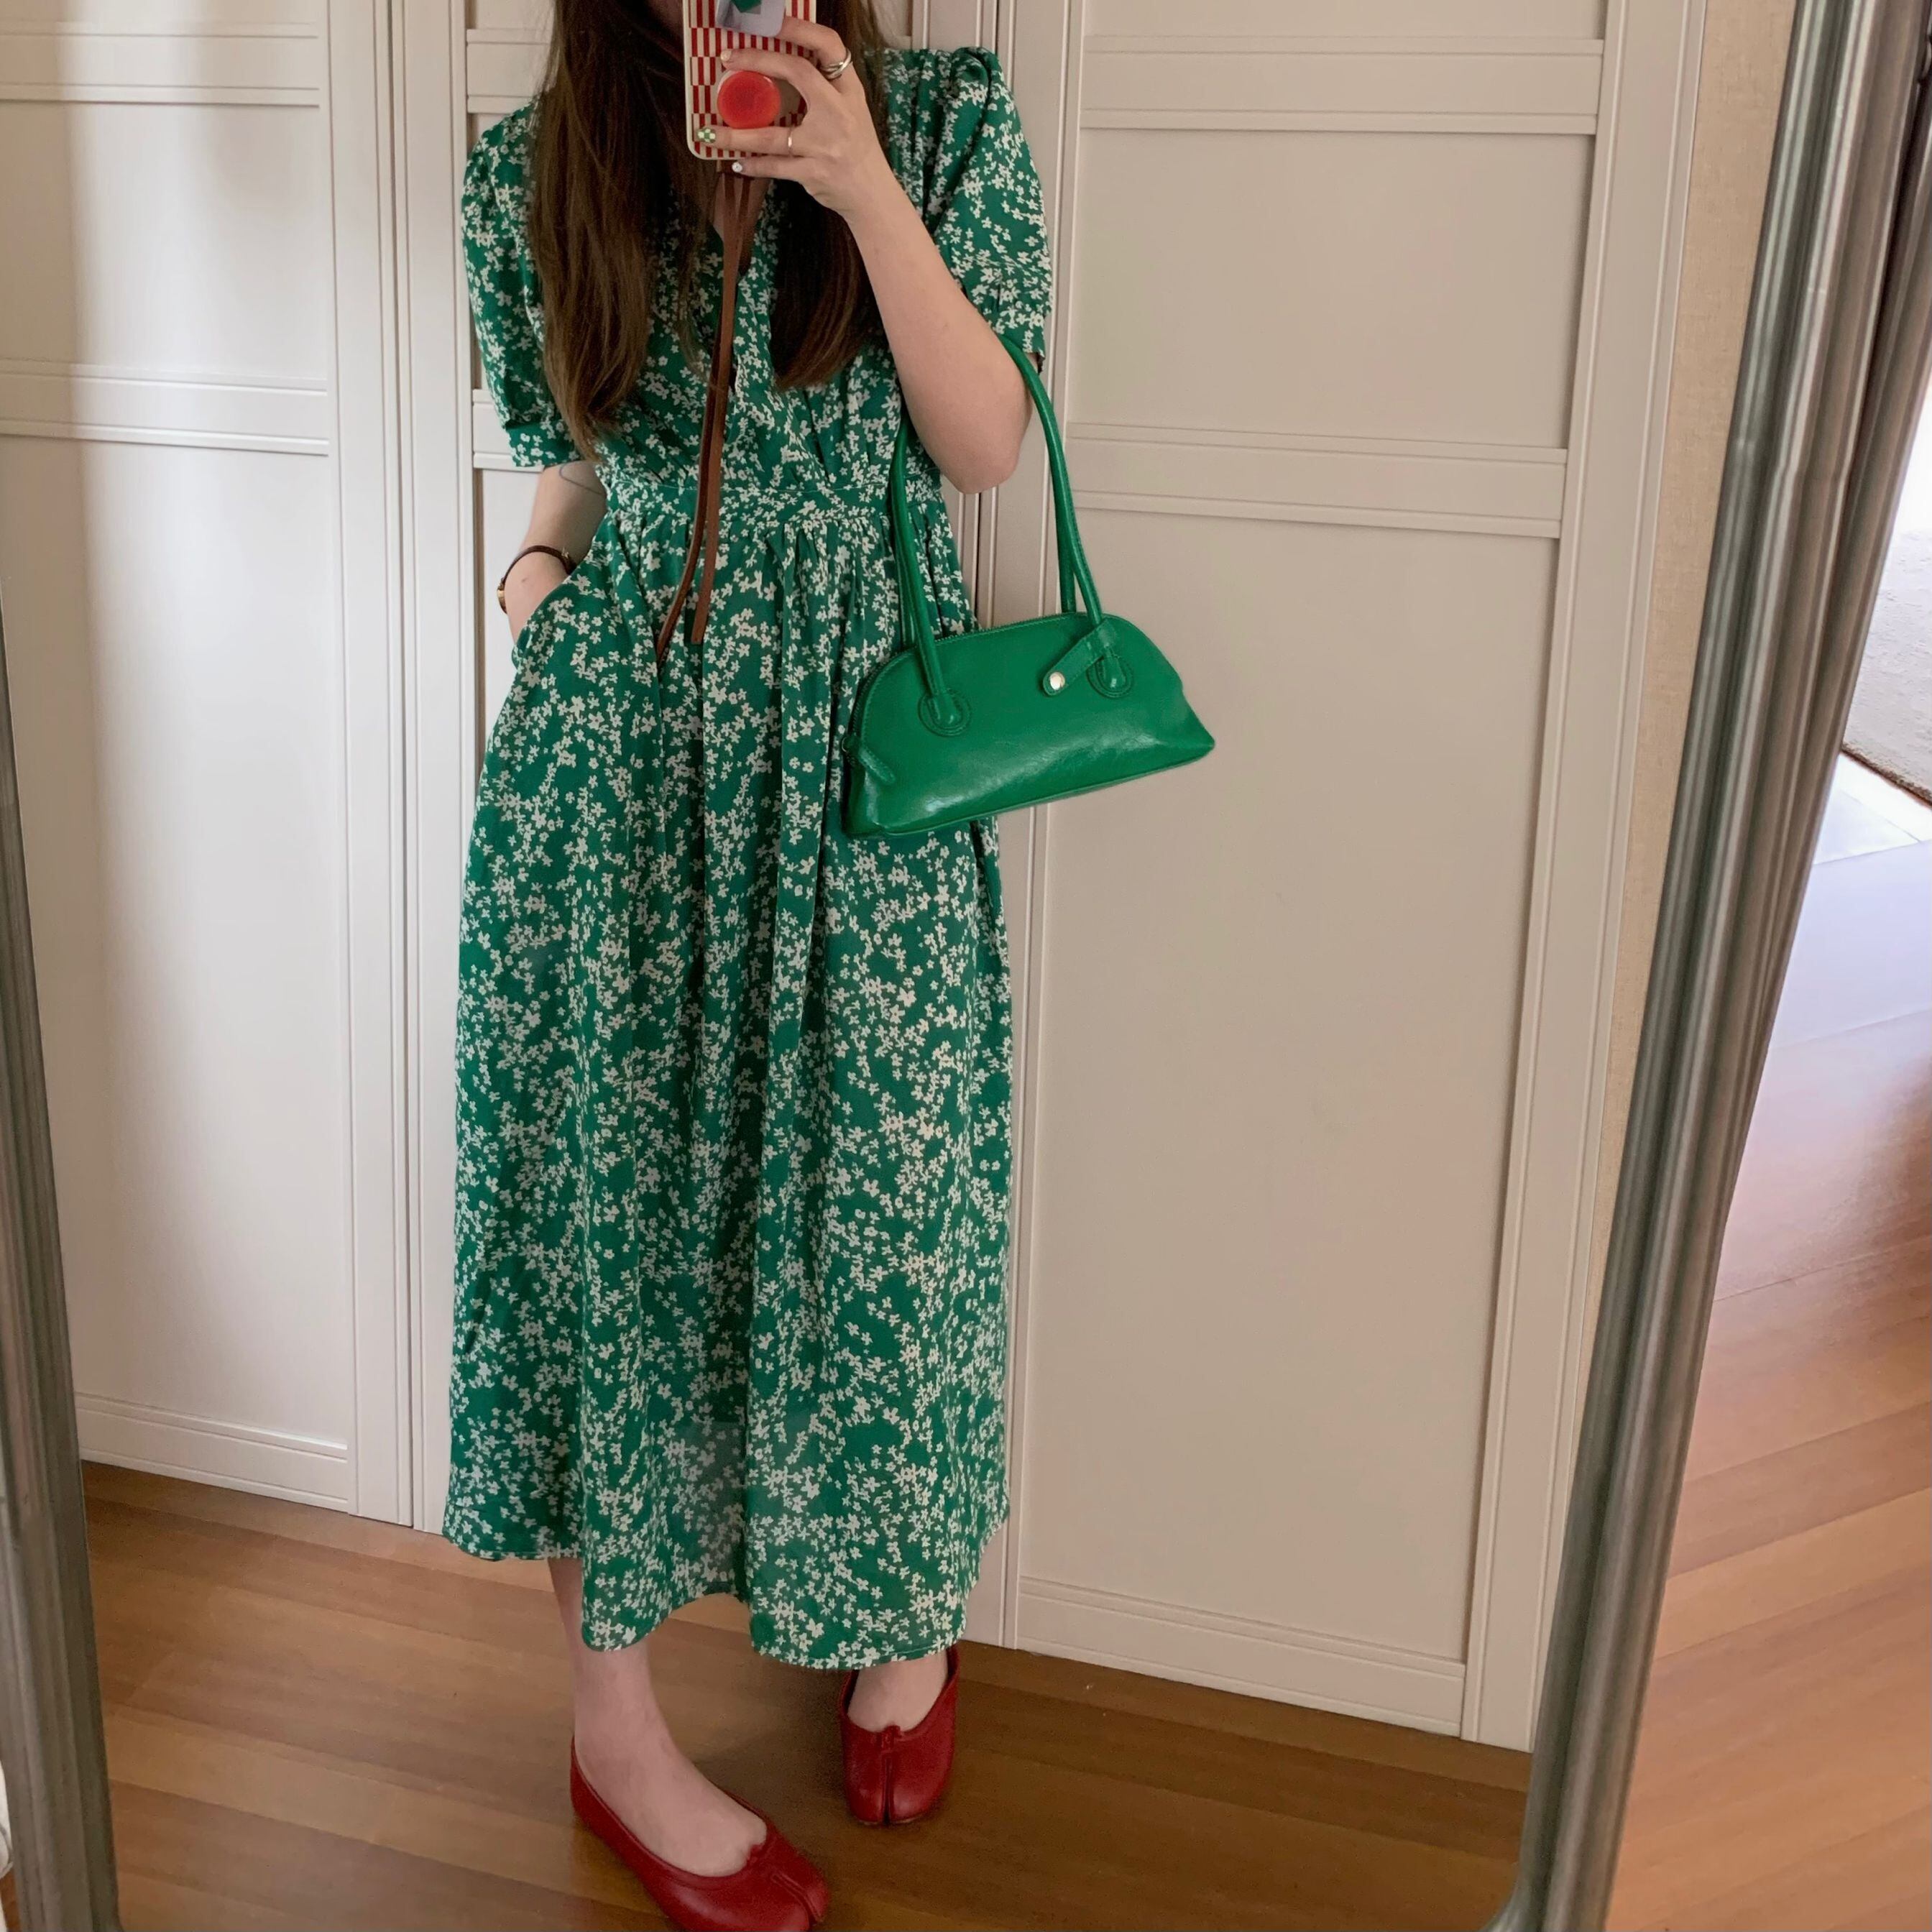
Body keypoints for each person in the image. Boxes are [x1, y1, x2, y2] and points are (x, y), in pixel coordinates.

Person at [443, 1, 1051, 1926]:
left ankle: (904, 1614)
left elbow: (984, 444)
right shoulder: (532, 171)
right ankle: (614, 1733)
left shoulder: (939, 125)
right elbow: (576, 460)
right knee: (601, 1243)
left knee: (889, 1225)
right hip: (616, 769)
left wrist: (860, 185)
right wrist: (538, 581)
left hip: (864, 760)